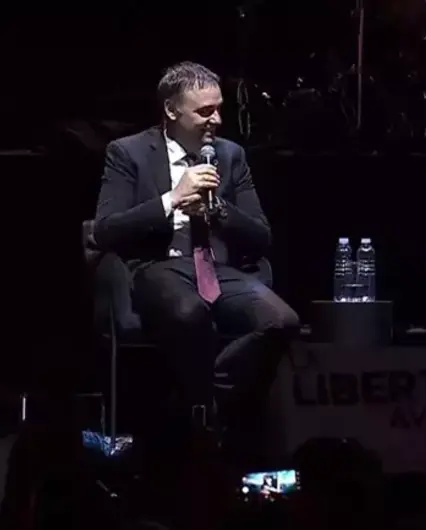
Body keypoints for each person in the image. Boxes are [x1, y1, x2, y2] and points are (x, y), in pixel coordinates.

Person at [93, 61, 300, 470]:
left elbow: (262, 236)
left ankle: (202, 407)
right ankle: (203, 423)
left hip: (219, 269)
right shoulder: (128, 152)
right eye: (205, 111)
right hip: (159, 266)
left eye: (219, 109)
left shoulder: (231, 156)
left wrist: (218, 208)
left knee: (281, 321)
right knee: (190, 313)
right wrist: (172, 199)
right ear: (172, 110)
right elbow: (105, 229)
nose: (216, 120)